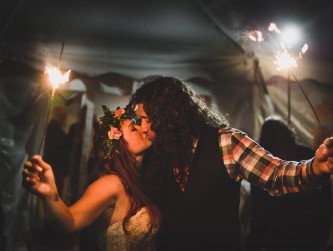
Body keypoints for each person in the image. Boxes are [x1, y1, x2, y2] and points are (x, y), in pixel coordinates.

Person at [128, 76, 333, 251]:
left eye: (146, 119)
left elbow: (276, 174)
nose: (143, 128)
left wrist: (314, 168)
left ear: (168, 115)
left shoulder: (226, 142)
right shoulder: (156, 153)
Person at [22, 105, 160, 251]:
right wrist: (50, 195)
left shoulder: (142, 180)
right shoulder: (111, 183)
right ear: (119, 147)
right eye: (133, 128)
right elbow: (70, 222)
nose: (142, 129)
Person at [248, 115, 331, 251]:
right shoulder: (262, 166)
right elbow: (259, 206)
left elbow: (323, 195)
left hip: (305, 231)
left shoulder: (308, 157)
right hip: (284, 233)